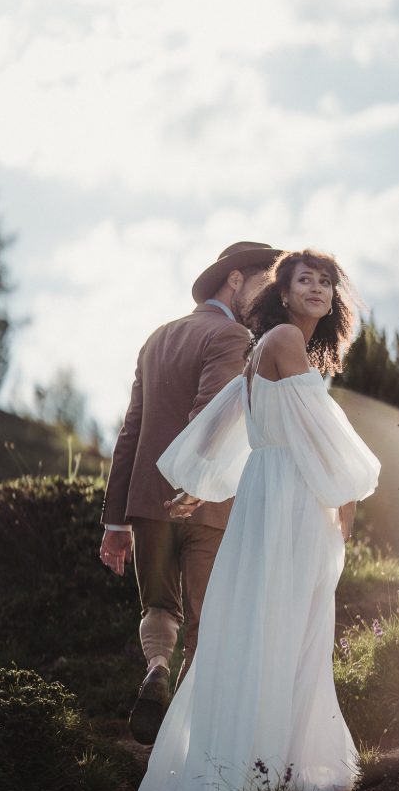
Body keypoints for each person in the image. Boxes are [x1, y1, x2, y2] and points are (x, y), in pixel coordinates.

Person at [33, 249, 380, 791]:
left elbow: (224, 414)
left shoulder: (270, 348)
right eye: (302, 277)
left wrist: (198, 479)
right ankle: (262, 770)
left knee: (263, 626)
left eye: (325, 280)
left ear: (335, 298)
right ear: (281, 292)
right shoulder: (280, 340)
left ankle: (263, 757)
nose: (314, 286)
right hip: (287, 500)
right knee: (275, 627)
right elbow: (328, 436)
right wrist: (352, 495)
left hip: (274, 497)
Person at [99, 240, 282, 745]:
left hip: (146, 500)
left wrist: (115, 521)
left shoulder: (157, 338)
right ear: (236, 280)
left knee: (158, 606)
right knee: (207, 617)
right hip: (206, 499)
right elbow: (211, 415)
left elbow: (130, 431)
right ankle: (187, 735)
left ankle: (157, 668)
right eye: (266, 282)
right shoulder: (234, 335)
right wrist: (198, 485)